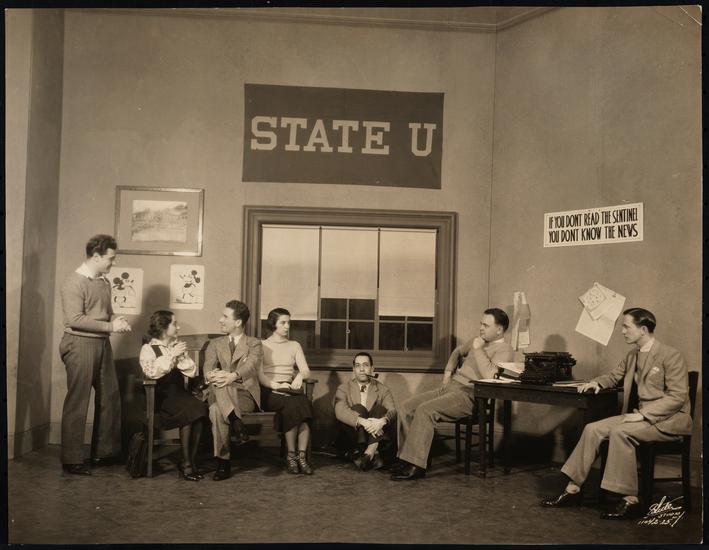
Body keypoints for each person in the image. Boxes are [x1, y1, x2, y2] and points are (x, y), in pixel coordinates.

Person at [541, 308, 692, 519]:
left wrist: (643, 415)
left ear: (643, 329)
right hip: (639, 417)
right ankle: (573, 490)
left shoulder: (671, 355)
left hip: (667, 420)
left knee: (620, 432)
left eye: (626, 327)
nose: (622, 331)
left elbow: (677, 397)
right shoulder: (632, 355)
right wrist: (596, 383)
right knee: (592, 429)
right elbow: (613, 376)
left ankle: (630, 500)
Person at [391, 308, 514, 480]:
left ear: (499, 329)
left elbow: (490, 375)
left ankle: (416, 466)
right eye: (481, 324)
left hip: (470, 395)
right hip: (451, 388)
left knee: (425, 410)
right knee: (406, 407)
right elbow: (458, 351)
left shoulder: (505, 350)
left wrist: (478, 349)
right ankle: (407, 459)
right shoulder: (478, 341)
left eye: (486, 325)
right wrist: (447, 374)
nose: (481, 328)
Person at [59, 234, 131, 475]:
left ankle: (103, 453)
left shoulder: (104, 281)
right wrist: (111, 326)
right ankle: (71, 459)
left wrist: (117, 320)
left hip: (102, 344)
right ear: (97, 256)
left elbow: (106, 313)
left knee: (110, 396)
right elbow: (75, 319)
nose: (113, 262)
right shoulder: (74, 282)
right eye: (111, 258)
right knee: (78, 400)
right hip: (79, 344)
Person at [139, 311, 208, 481]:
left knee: (199, 408)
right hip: (160, 398)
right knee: (191, 409)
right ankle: (186, 464)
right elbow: (152, 373)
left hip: (179, 395)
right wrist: (171, 355)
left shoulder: (174, 346)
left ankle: (190, 461)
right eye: (174, 324)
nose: (178, 327)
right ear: (163, 327)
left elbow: (191, 372)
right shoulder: (148, 349)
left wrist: (180, 356)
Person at [202, 299, 263, 481]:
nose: (220, 320)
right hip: (217, 390)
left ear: (237, 322)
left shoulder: (254, 343)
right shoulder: (215, 344)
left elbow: (251, 366)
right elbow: (207, 367)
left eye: (225, 317)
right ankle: (236, 422)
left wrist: (232, 376)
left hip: (243, 395)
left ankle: (223, 462)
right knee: (220, 388)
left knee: (215, 410)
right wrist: (215, 375)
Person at [258, 308, 315, 475]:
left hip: (290, 389)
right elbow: (260, 376)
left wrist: (299, 377)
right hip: (270, 390)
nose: (287, 326)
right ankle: (291, 456)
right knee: (293, 405)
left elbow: (306, 370)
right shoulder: (262, 345)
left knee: (303, 403)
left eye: (289, 322)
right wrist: (277, 386)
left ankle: (301, 457)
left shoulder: (294, 345)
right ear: (273, 324)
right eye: (283, 322)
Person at [334, 352, 397, 471]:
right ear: (353, 369)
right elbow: (339, 411)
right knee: (358, 408)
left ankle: (368, 453)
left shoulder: (383, 389)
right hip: (353, 436)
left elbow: (393, 411)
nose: (362, 369)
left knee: (379, 409)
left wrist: (382, 421)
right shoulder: (343, 388)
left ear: (372, 369)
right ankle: (373, 453)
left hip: (376, 432)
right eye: (358, 366)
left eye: (365, 365)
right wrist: (363, 421)